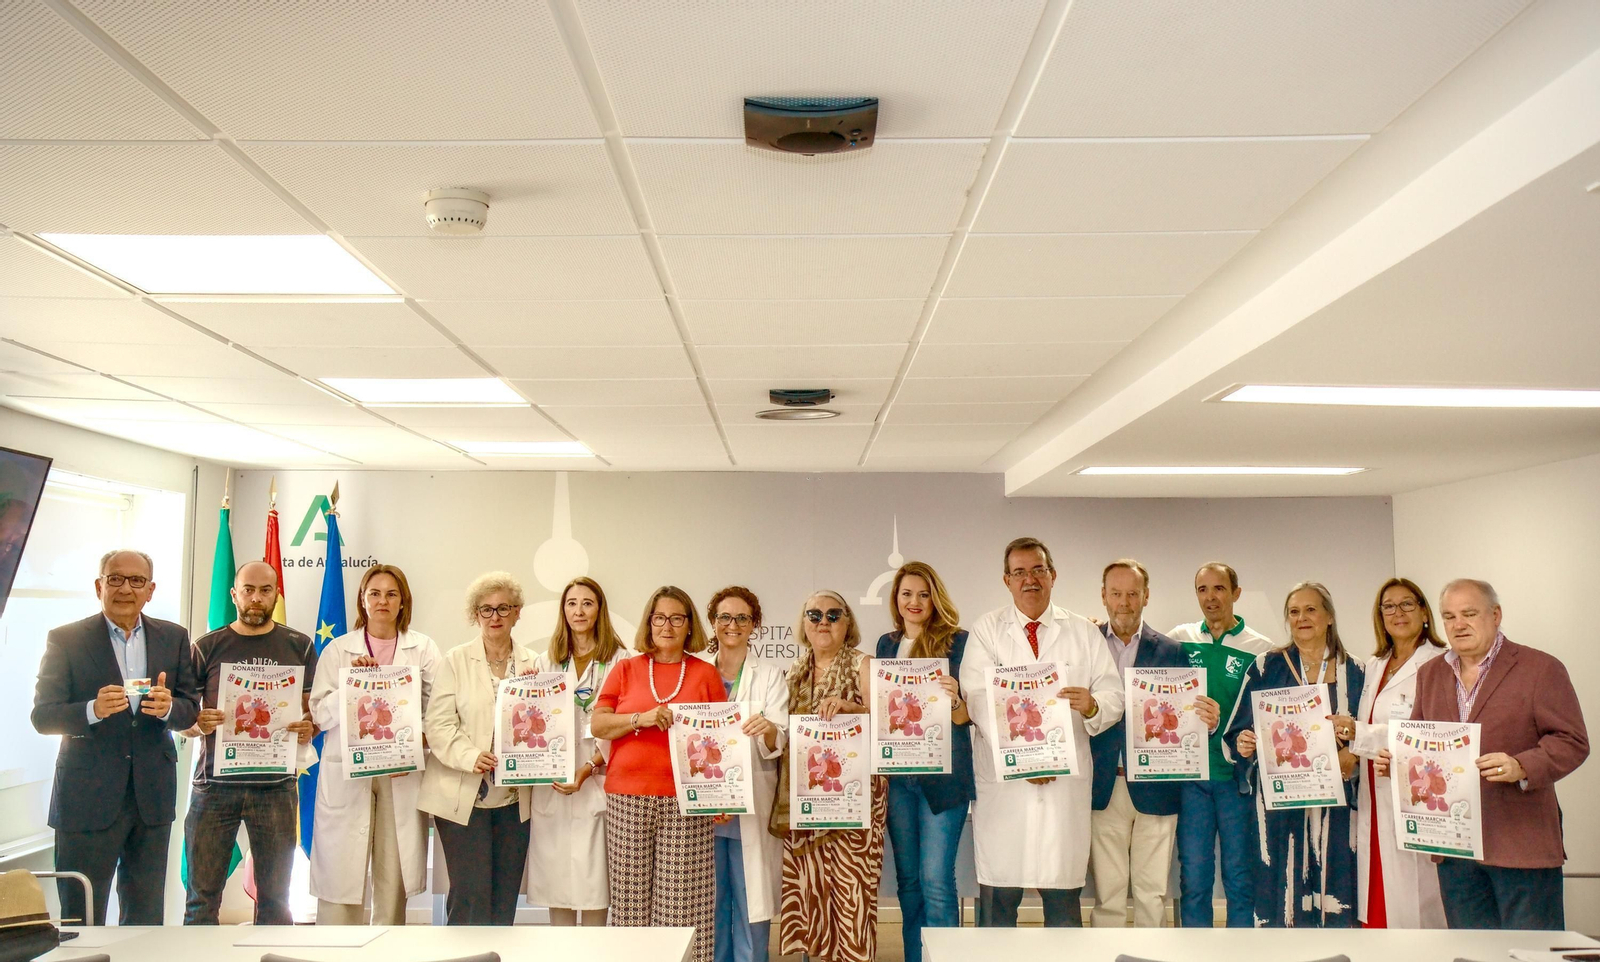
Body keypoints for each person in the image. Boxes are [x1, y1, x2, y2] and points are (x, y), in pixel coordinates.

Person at [1377, 579, 1588, 930]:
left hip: (1521, 846)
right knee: (1472, 951)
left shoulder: (1540, 668)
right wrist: (1399, 762)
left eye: (1469, 614)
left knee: (1531, 951)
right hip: (1454, 850)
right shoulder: (1431, 674)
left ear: (1496, 615)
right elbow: (1421, 739)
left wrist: (1522, 766)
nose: (1458, 624)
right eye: (1449, 616)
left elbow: (1572, 740)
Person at [30, 549, 200, 925]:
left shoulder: (173, 637)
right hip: (86, 798)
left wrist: (169, 708)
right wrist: (92, 709)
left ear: (150, 590)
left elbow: (191, 709)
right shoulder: (66, 639)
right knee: (82, 916)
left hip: (151, 797)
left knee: (145, 916)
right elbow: (42, 716)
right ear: (99, 586)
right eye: (116, 579)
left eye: (136, 580)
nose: (126, 588)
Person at [961, 537, 1124, 928]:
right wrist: (1027, 761)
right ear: (1007, 580)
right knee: (998, 906)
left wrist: (1092, 705)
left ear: (1053, 575)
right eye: (1019, 572)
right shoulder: (987, 630)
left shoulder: (1083, 632)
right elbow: (978, 698)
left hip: (1062, 788)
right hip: (1006, 788)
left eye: (1038, 570)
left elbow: (1114, 694)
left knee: (1063, 905)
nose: (1029, 580)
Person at [591, 586, 724, 962]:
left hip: (687, 802)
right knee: (629, 904)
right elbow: (598, 724)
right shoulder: (626, 669)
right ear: (649, 623)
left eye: (677, 618)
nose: (667, 626)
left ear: (689, 625)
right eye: (660, 618)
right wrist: (640, 719)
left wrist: (721, 797)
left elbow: (721, 740)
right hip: (627, 798)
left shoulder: (705, 674)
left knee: (683, 906)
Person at [183, 561, 318, 925]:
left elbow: (313, 712)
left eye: (265, 590)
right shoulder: (206, 647)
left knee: (276, 903)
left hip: (275, 788)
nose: (256, 598)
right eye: (248, 590)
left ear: (276, 594)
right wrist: (197, 723)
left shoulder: (300, 646)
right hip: (214, 787)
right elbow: (183, 721)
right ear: (234, 594)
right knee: (200, 902)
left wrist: (309, 727)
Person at [1088, 559, 1220, 929]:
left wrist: (1207, 722)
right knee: (1108, 894)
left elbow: (1186, 717)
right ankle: (1104, 954)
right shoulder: (1085, 644)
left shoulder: (1173, 651)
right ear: (1103, 596)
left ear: (1146, 596)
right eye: (1116, 593)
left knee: (1151, 893)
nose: (1124, 602)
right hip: (1102, 783)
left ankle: (1151, 954)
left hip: (1157, 785)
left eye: (1132, 594)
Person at [1226, 581, 1365, 928]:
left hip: (1338, 805)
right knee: (1281, 883)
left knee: (1337, 879)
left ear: (1329, 617)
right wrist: (1244, 742)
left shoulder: (1358, 671)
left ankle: (1338, 946)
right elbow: (1239, 731)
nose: (1302, 618)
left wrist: (1355, 754)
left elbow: (1370, 733)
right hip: (1280, 805)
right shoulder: (1265, 666)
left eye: (1311, 610)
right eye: (1294, 612)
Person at [308, 564, 440, 925]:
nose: (383, 601)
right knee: (340, 871)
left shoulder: (423, 648)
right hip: (348, 772)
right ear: (363, 601)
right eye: (375, 594)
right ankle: (336, 946)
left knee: (393, 873)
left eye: (391, 594)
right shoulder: (338, 650)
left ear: (403, 602)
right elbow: (319, 714)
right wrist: (353, 684)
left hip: (400, 772)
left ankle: (387, 945)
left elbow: (440, 709)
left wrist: (414, 740)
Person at [419, 572, 536, 925]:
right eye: (486, 609)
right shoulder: (455, 660)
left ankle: (497, 952)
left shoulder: (534, 664)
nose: (495, 616)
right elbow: (438, 724)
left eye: (504, 608)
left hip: (513, 801)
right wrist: (471, 756)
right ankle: (464, 952)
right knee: (470, 896)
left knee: (505, 897)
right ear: (475, 614)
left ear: (517, 612)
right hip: (463, 796)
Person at [776, 591, 886, 962]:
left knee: (852, 892)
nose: (824, 621)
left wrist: (851, 709)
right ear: (804, 623)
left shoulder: (863, 665)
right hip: (808, 803)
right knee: (813, 893)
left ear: (848, 622)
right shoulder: (794, 671)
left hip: (854, 804)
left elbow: (885, 724)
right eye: (815, 614)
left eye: (834, 615)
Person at [1166, 562, 1275, 927]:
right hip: (1191, 779)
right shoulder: (1179, 639)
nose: (1210, 597)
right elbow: (1146, 674)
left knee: (1239, 876)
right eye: (1203, 589)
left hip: (1236, 780)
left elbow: (1265, 715)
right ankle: (1196, 949)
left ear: (1236, 593)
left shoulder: (1260, 649)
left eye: (1219, 589)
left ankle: (1240, 949)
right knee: (1194, 877)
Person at [874, 562, 974, 961]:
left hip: (943, 779)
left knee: (936, 881)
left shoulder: (958, 643)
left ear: (935, 598)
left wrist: (956, 700)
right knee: (909, 883)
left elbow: (968, 717)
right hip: (899, 780)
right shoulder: (886, 645)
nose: (914, 602)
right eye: (906, 594)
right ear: (895, 599)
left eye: (923, 594)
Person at [528, 576, 630, 927]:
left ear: (600, 609)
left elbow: (621, 725)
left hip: (599, 779)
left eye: (587, 603)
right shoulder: (546, 662)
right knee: (557, 886)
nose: (579, 611)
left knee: (595, 885)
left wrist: (589, 766)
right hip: (554, 785)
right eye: (571, 603)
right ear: (563, 610)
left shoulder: (621, 660)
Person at [700, 586, 787, 962]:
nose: (732, 624)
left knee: (752, 905)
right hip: (705, 808)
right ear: (713, 622)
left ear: (754, 625)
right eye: (724, 617)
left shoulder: (769, 675)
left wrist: (767, 728)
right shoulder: (696, 671)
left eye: (741, 618)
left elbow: (780, 738)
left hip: (750, 806)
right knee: (711, 905)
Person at [1353, 577, 1447, 929]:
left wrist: (1357, 733)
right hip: (1374, 791)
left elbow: (1432, 732)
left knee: (1417, 894)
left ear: (1424, 612)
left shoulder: (1440, 663)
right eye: (1389, 607)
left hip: (1416, 790)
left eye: (1407, 604)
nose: (1398, 613)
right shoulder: (1375, 664)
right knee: (1379, 886)